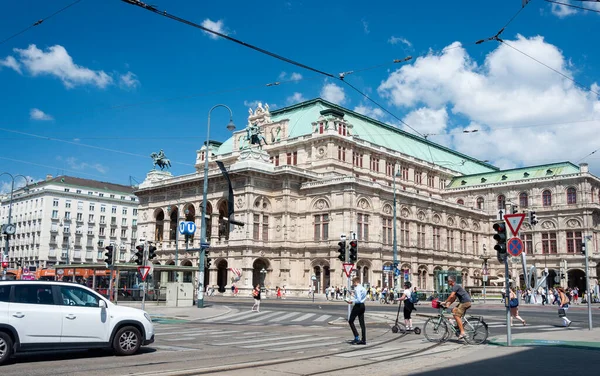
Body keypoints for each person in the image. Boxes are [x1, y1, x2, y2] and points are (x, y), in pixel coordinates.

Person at [442, 275, 472, 340]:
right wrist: (448, 304)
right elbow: (454, 298)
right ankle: (458, 326)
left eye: (448, 281)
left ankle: (462, 332)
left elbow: (451, 296)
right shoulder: (455, 286)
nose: (447, 282)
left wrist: (445, 302)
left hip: (465, 302)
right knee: (453, 310)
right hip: (463, 302)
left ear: (451, 281)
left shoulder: (455, 286)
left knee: (457, 316)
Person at [346, 277, 367, 345]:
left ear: (356, 282)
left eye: (353, 283)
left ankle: (356, 337)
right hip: (362, 306)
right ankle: (363, 340)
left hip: (358, 306)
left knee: (350, 321)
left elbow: (358, 300)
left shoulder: (357, 288)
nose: (353, 284)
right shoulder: (363, 288)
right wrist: (353, 296)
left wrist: (351, 301)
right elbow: (361, 298)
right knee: (362, 323)